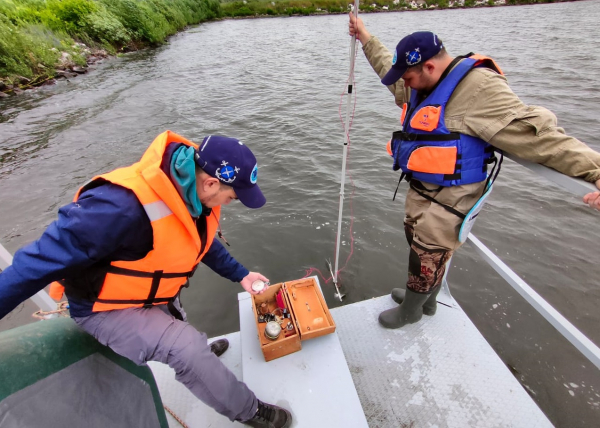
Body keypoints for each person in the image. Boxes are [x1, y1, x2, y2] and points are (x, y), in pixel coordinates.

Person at [0, 130, 292, 428]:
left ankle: (204, 360)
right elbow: (33, 265)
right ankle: (249, 411)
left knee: (182, 327)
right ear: (211, 183)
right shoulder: (116, 208)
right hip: (103, 308)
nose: (230, 203)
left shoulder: (193, 189)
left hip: (150, 291)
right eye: (232, 197)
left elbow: (199, 240)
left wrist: (241, 274)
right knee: (186, 347)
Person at [348, 14, 600, 330]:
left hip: (455, 191)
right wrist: (364, 36)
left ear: (428, 67)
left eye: (408, 78)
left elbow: (540, 138)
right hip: (423, 183)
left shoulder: (480, 89)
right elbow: (389, 66)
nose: (404, 85)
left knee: (429, 250)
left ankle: (413, 310)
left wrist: (596, 170)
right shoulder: (422, 81)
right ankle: (425, 300)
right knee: (414, 235)